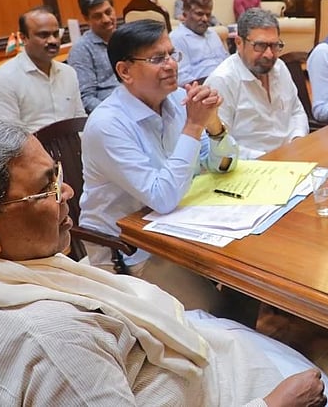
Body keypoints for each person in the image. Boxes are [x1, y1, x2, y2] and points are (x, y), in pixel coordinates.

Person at [0, 111, 328, 407]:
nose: (67, 192)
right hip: (226, 391)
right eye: (46, 187)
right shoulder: (55, 342)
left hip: (183, 360)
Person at [79, 19, 244, 315]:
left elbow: (222, 166)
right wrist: (194, 125)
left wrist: (214, 123)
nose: (171, 65)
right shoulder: (108, 125)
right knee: (216, 310)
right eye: (157, 58)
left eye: (172, 54)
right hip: (131, 249)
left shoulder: (177, 100)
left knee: (248, 271)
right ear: (125, 71)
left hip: (180, 228)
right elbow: (162, 197)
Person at [206, 8, 308, 159]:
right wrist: (272, 158)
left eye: (274, 46)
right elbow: (219, 147)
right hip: (251, 168)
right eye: (260, 46)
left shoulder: (279, 67)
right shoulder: (222, 80)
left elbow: (296, 111)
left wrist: (297, 139)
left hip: (292, 158)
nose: (269, 54)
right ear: (239, 43)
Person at [0, 6, 86, 132]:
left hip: (73, 147)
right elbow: (8, 139)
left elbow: (80, 120)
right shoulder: (3, 80)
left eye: (55, 34)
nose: (53, 41)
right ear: (23, 38)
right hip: (32, 150)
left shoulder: (68, 73)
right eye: (43, 35)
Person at [69, 0, 118, 112]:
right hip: (110, 113)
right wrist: (115, 115)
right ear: (86, 19)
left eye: (108, 12)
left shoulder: (127, 38)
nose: (106, 20)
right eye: (97, 16)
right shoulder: (81, 49)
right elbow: (86, 98)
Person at [171, 0, 230, 86]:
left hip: (227, 83)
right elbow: (182, 78)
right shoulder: (177, 38)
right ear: (185, 15)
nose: (205, 19)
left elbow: (227, 62)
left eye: (208, 14)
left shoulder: (213, 34)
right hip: (202, 90)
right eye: (199, 14)